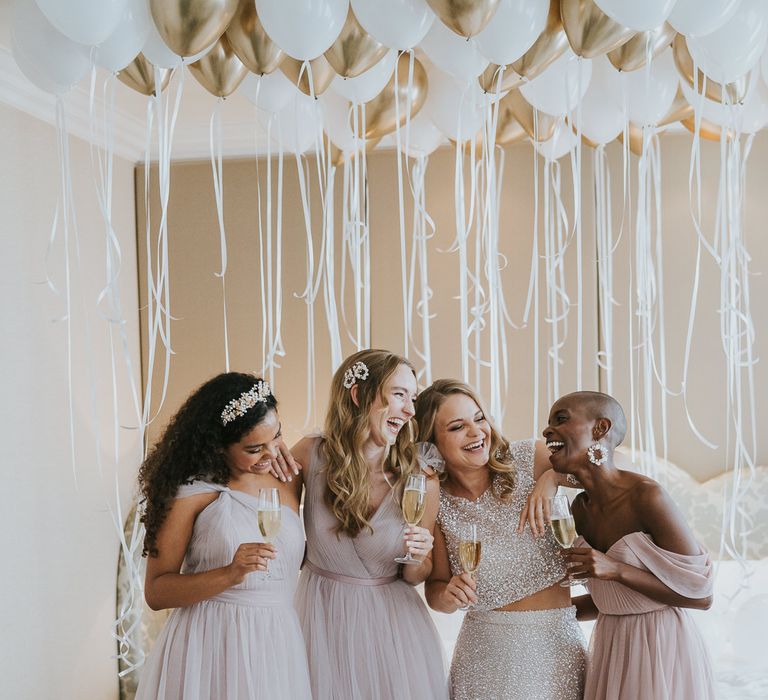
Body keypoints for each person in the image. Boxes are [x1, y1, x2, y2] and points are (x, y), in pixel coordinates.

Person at [135, 372, 311, 699]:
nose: (271, 454)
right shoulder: (191, 492)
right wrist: (230, 573)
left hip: (277, 643)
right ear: (217, 446)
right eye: (254, 448)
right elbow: (157, 591)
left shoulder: (288, 478)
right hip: (209, 646)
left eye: (277, 437)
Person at [291, 349, 448, 699]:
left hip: (394, 631)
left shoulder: (421, 476)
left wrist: (419, 555)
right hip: (321, 620)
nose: (410, 410)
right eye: (398, 395)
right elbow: (279, 533)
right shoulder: (308, 454)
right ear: (359, 394)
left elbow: (415, 575)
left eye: (413, 398)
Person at [416, 379, 587, 700]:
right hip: (483, 659)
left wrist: (553, 477)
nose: (476, 432)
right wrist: (449, 596)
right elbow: (435, 590)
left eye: (478, 418)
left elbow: (602, 467)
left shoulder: (531, 458)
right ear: (433, 442)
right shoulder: (436, 500)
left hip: (556, 651)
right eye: (457, 427)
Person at [544, 390, 715, 700]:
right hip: (611, 646)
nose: (547, 430)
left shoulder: (647, 496)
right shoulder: (577, 511)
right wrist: (530, 614)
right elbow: (610, 602)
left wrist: (617, 569)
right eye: (548, 423)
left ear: (600, 429)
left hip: (662, 647)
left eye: (561, 419)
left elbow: (702, 597)